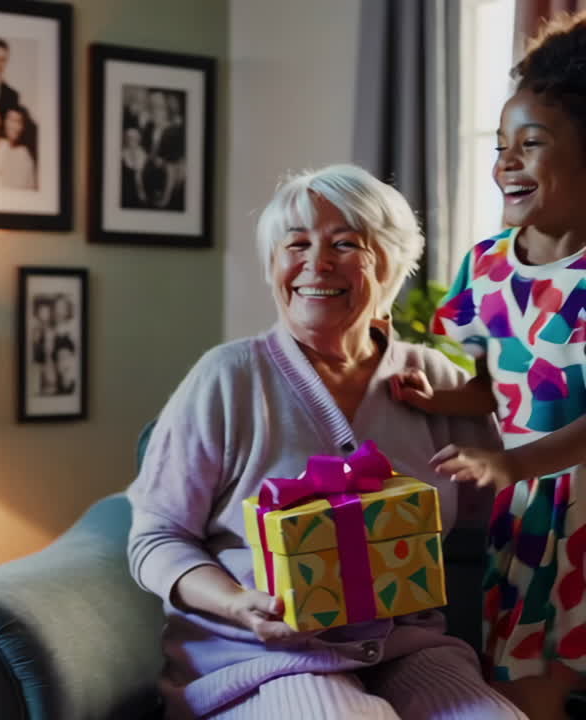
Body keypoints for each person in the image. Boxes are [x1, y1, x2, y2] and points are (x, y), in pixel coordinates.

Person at [128, 164, 524, 719]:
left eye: (345, 243)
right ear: (273, 266)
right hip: (262, 656)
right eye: (296, 244)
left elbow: (506, 513)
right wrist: (239, 604)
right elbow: (156, 538)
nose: (317, 262)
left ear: (391, 264)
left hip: (410, 651)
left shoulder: (439, 383)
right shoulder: (228, 378)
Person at [390, 12, 586, 719]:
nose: (505, 161)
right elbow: (494, 387)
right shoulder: (487, 267)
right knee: (525, 692)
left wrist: (515, 465)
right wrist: (439, 391)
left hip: (565, 499)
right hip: (531, 523)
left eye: (530, 144)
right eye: (501, 145)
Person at [0, 105, 36, 190]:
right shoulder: (3, 146)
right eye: (10, 119)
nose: (12, 125)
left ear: (22, 127)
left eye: (17, 121)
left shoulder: (23, 154)